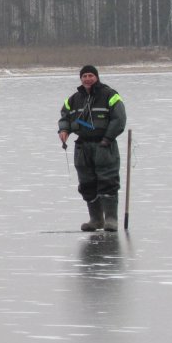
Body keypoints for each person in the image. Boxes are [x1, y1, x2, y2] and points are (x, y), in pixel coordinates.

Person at [58, 65, 126, 231]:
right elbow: (65, 116)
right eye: (84, 76)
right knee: (87, 183)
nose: (87, 79)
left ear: (96, 77)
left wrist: (107, 139)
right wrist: (64, 130)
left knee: (108, 182)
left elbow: (119, 119)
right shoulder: (74, 99)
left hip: (105, 145)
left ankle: (111, 219)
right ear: (81, 78)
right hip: (83, 147)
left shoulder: (110, 95)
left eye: (90, 75)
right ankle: (96, 220)